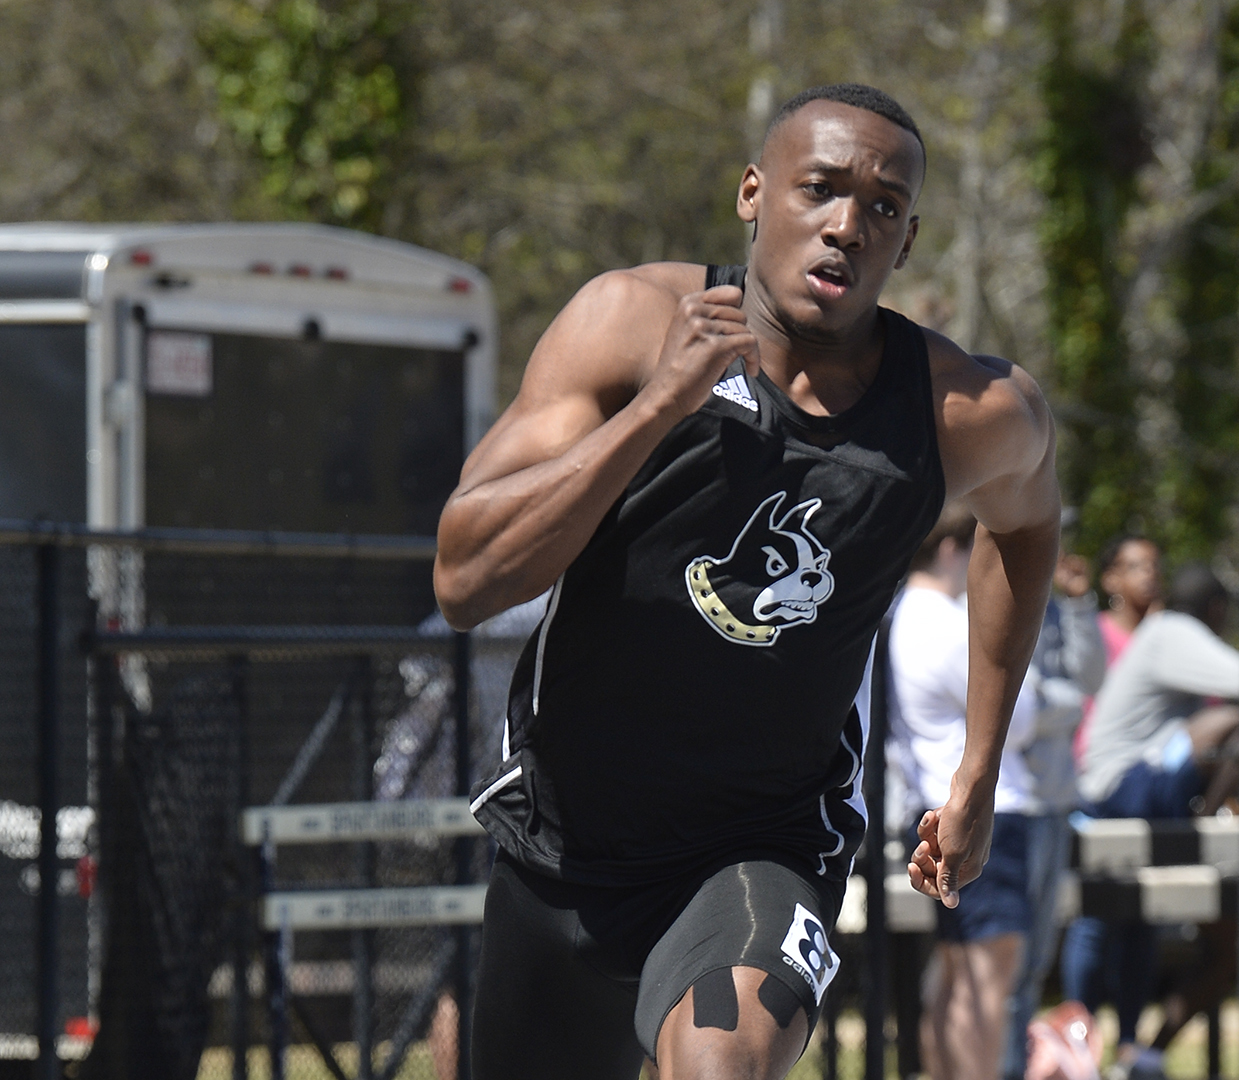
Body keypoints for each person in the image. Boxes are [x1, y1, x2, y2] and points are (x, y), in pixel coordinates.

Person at [433, 83, 1061, 1080]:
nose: (848, 226)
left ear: (907, 238)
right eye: (821, 189)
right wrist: (655, 413)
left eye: (884, 207)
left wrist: (979, 765)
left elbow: (1027, 529)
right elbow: (466, 577)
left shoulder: (961, 410)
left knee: (724, 1062)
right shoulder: (629, 325)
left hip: (764, 845)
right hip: (566, 845)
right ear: (754, 194)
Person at [1063, 566, 1239, 1079]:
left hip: (1137, 787)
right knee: (1096, 921)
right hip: (1116, 788)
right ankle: (1082, 1047)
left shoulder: (1161, 632)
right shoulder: (1173, 632)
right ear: (1215, 610)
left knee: (1139, 920)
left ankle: (1128, 1049)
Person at [889, 505, 1048, 1080]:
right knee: (988, 975)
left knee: (956, 971)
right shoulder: (943, 620)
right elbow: (1020, 714)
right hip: (983, 812)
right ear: (953, 549)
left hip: (929, 802)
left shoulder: (896, 618)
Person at [1004, 522, 1105, 1080]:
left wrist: (1080, 603)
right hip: (1013, 804)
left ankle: (1016, 1064)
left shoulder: (1056, 607)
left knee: (1036, 957)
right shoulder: (1005, 595)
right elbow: (1024, 708)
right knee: (1008, 960)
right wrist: (1066, 705)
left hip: (1056, 799)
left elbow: (1091, 678)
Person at [1072, 535, 1162, 767]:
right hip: (1100, 759)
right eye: (1135, 567)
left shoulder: (1166, 636)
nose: (1148, 574)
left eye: (1153, 566)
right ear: (1111, 579)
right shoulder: (1097, 633)